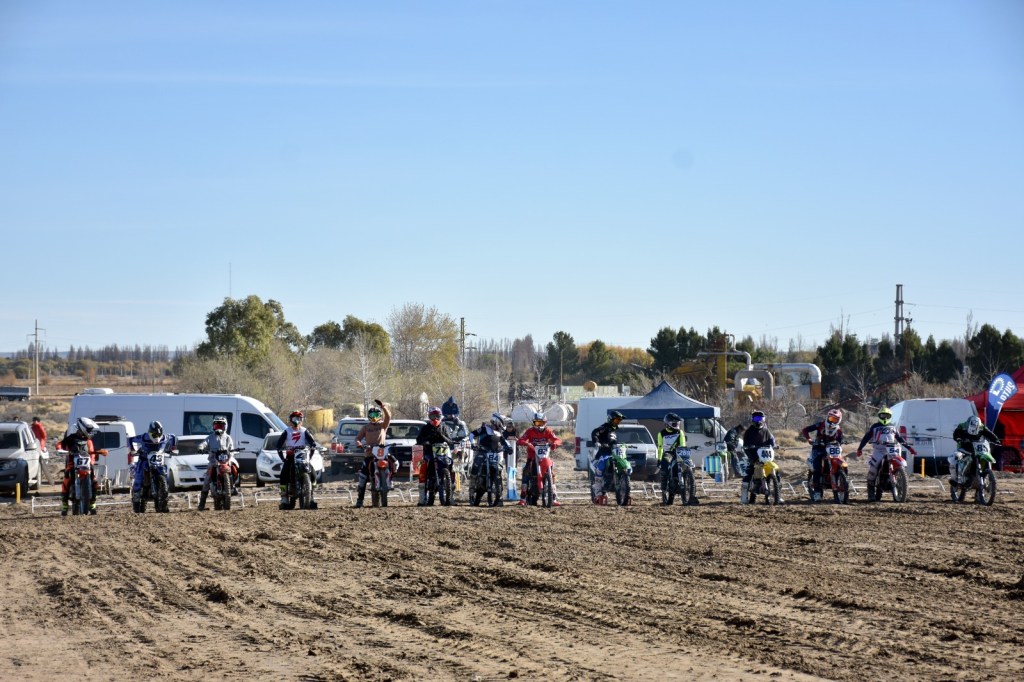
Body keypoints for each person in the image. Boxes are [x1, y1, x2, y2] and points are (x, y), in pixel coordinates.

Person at [855, 405, 916, 493]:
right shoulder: (875, 426)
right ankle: (871, 490)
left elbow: (900, 439)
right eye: (883, 415)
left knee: (898, 462)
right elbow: (866, 437)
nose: (885, 417)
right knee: (874, 467)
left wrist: (910, 448)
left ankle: (897, 479)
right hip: (879, 449)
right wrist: (860, 448)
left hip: (892, 449)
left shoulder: (893, 427)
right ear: (879, 416)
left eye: (887, 416)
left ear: (890, 417)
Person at [58, 417, 106, 516]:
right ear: (82, 428)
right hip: (72, 464)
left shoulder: (89, 441)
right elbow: (60, 444)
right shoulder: (71, 438)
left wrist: (92, 461)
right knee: (66, 482)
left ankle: (92, 504)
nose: (90, 432)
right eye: (89, 430)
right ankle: (65, 506)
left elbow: (92, 452)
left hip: (86, 465)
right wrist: (59, 448)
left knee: (94, 482)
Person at [516, 411, 563, 506]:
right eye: (537, 423)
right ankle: (523, 498)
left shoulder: (548, 431)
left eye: (541, 423)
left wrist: (555, 444)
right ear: (534, 423)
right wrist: (526, 443)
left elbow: (557, 439)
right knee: (526, 472)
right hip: (532, 456)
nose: (539, 425)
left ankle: (553, 498)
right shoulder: (530, 431)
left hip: (545, 457)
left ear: (545, 422)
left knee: (552, 474)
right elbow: (521, 439)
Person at [275, 410, 320, 510]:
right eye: (295, 419)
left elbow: (312, 443)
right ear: (290, 420)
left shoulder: (304, 430)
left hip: (302, 456)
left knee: (312, 472)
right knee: (283, 475)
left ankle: (311, 496)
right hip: (290, 457)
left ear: (302, 420)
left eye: (299, 419)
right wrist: (283, 457)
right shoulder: (287, 431)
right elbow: (278, 445)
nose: (297, 421)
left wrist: (312, 449)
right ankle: (284, 497)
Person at [353, 399, 393, 508]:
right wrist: (359, 443)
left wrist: (383, 407)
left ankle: (390, 479)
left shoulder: (383, 425)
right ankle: (360, 500)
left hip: (382, 452)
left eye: (376, 414)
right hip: (370, 454)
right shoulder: (366, 427)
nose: (374, 416)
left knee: (394, 462)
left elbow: (388, 416)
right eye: (372, 414)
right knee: (363, 476)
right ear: (369, 416)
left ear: (379, 415)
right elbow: (358, 438)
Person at [127, 420, 178, 504]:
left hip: (158, 460)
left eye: (158, 434)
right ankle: (136, 499)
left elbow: (173, 437)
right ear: (150, 432)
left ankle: (164, 499)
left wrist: (173, 448)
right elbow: (130, 439)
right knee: (138, 478)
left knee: (165, 475)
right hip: (144, 459)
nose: (157, 437)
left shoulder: (165, 437)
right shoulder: (144, 437)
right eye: (154, 435)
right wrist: (132, 449)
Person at [801, 409, 845, 502]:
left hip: (832, 449)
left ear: (839, 420)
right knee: (817, 467)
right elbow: (805, 430)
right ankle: (817, 492)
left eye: (834, 419)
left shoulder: (839, 431)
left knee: (841, 463)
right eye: (830, 418)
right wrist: (809, 439)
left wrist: (841, 442)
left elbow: (841, 441)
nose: (831, 420)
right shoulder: (820, 424)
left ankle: (842, 481)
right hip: (819, 448)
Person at [415, 406, 456, 506]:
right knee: (424, 467)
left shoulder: (444, 426)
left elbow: (450, 440)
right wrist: (425, 441)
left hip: (443, 453)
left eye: (437, 416)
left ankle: (451, 494)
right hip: (429, 452)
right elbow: (419, 440)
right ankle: (422, 497)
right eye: (433, 416)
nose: (435, 419)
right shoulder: (425, 428)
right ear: (429, 417)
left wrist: (443, 436)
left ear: (440, 416)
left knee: (452, 466)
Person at [196, 416, 238, 511]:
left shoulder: (228, 438)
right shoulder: (210, 437)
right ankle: (202, 503)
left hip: (226, 461)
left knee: (235, 468)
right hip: (214, 461)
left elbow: (231, 448)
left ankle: (233, 485)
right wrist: (200, 448)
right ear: (213, 427)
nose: (219, 428)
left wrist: (232, 452)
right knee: (207, 479)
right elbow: (203, 444)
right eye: (217, 425)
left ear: (225, 427)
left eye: (221, 426)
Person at [656, 412, 697, 506]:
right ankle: (664, 487)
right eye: (675, 424)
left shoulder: (680, 432)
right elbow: (660, 447)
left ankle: (688, 482)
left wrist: (684, 452)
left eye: (678, 424)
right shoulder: (661, 434)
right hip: (668, 454)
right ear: (668, 424)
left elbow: (683, 444)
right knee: (665, 466)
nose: (677, 426)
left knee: (687, 465)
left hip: (679, 452)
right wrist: (659, 459)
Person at [950, 415, 1000, 488]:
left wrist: (996, 440)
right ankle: (956, 478)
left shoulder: (982, 427)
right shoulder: (962, 426)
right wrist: (958, 439)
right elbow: (956, 434)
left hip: (977, 446)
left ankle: (984, 475)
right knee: (957, 457)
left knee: (979, 456)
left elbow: (989, 434)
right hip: (964, 446)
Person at [469, 413, 512, 496]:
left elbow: (504, 441)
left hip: (494, 454)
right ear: (497, 422)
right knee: (476, 465)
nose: (504, 425)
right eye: (503, 423)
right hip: (482, 451)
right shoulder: (485, 429)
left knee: (499, 470)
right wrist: (473, 443)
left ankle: (499, 493)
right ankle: (472, 487)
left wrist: (509, 447)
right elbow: (472, 434)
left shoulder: (499, 433)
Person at [741, 410, 778, 504]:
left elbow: (771, 439)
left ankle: (778, 495)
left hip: (766, 455)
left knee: (776, 473)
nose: (758, 420)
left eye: (760, 418)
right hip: (753, 455)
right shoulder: (749, 432)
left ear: (764, 419)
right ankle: (744, 496)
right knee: (749, 473)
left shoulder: (766, 430)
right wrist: (748, 450)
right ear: (752, 420)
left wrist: (774, 444)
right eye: (756, 418)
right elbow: (745, 445)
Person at [591, 410, 624, 503]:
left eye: (619, 421)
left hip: (614, 453)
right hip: (604, 453)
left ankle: (622, 482)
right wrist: (596, 441)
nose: (618, 422)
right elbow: (595, 432)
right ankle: (598, 491)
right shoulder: (605, 427)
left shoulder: (615, 431)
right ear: (610, 419)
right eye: (616, 420)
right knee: (601, 467)